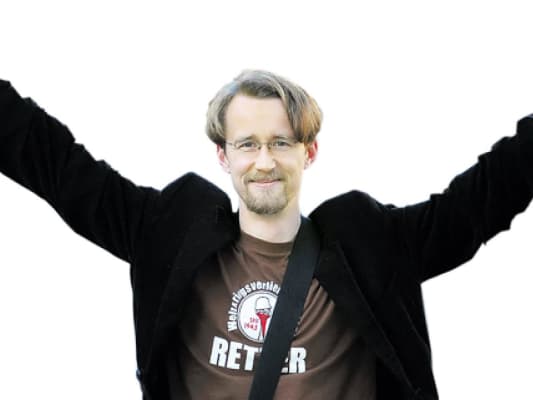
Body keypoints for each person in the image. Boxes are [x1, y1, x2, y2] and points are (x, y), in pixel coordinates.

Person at [0, 70, 532, 400]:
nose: (264, 161)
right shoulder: (167, 236)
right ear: (223, 155)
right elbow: (57, 166)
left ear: (309, 151)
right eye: (248, 144)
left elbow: (487, 194)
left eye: (280, 142)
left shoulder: (373, 248)